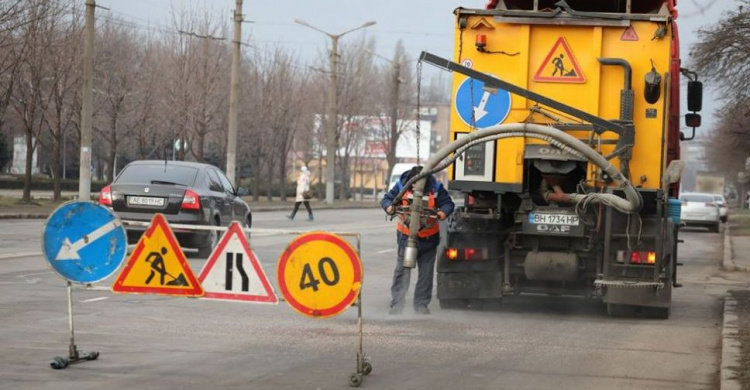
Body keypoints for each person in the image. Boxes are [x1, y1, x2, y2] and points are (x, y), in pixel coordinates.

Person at [381, 166, 455, 315]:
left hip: (428, 239)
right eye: (414, 184)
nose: (417, 187)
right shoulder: (402, 185)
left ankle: (421, 304)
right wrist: (389, 207)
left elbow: (448, 204)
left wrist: (442, 213)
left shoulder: (436, 188)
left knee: (426, 274)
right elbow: (387, 199)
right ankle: (397, 303)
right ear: (411, 181)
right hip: (406, 235)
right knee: (402, 271)